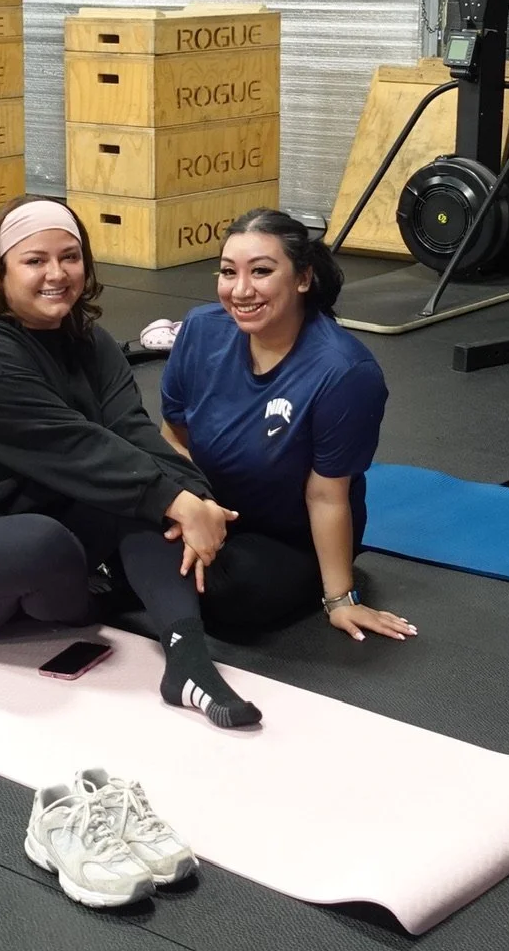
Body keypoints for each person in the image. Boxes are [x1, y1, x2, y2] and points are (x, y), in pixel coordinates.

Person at [0, 197, 263, 730]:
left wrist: (199, 501)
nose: (57, 274)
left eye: (70, 257)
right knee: (62, 533)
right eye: (35, 261)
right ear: (0, 269)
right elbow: (76, 448)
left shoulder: (90, 342)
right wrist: (178, 504)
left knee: (148, 499)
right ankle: (96, 594)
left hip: (40, 520)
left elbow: (134, 435)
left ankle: (188, 662)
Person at [159, 209, 415, 647]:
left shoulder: (344, 372)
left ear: (301, 278)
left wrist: (340, 599)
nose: (240, 290)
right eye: (227, 272)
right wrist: (194, 508)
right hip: (207, 510)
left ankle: (143, 582)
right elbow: (172, 439)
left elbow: (326, 494)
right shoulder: (201, 329)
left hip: (286, 536)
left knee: (235, 593)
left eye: (261, 271)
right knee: (98, 518)